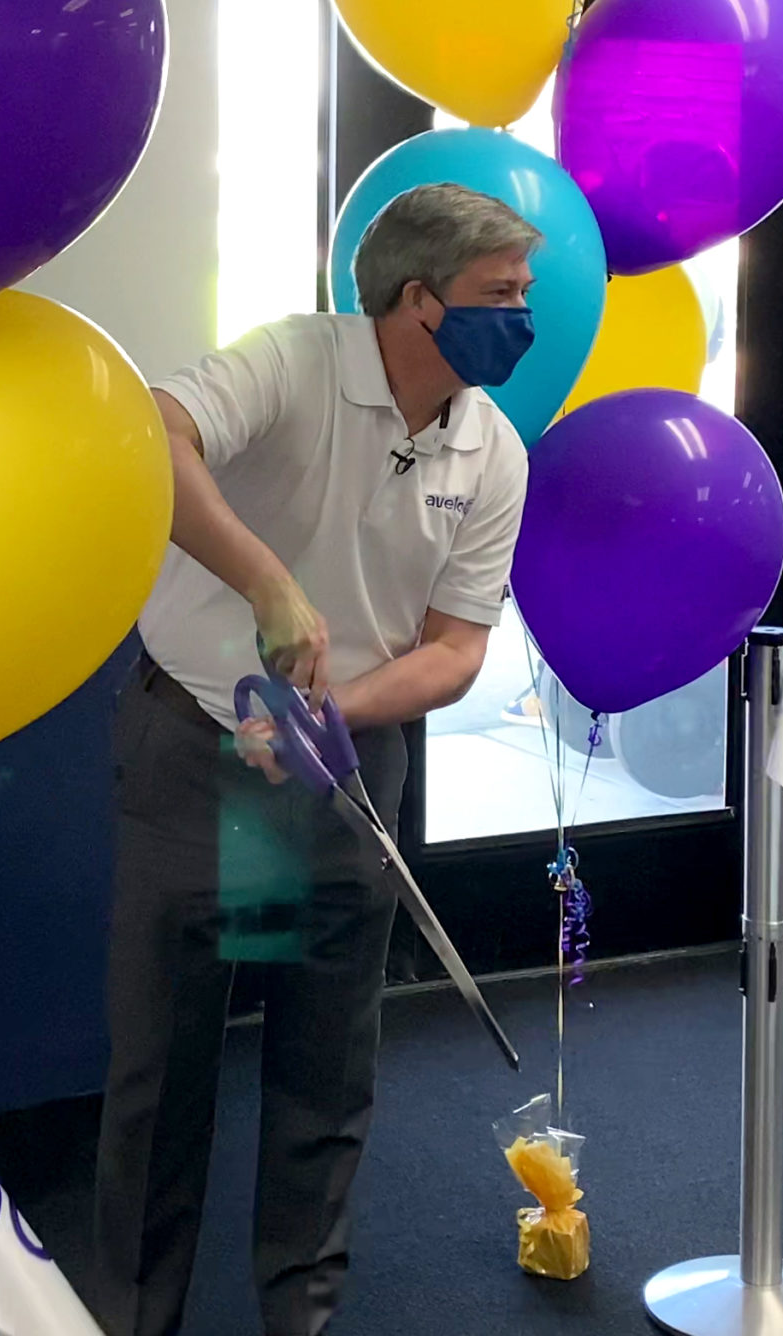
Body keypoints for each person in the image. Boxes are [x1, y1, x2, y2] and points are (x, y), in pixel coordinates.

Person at [93, 183, 537, 1336]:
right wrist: (268, 585)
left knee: (325, 1073)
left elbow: (456, 649)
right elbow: (151, 433)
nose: (522, 317)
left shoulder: (492, 450)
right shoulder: (294, 362)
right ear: (418, 300)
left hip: (342, 774)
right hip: (194, 753)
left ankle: (301, 1316)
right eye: (500, 295)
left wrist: (330, 718)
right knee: (163, 1077)